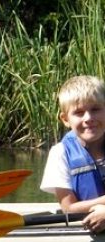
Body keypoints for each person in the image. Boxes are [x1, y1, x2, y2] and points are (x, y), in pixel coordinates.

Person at [40, 75, 105, 233]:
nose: (88, 118)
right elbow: (69, 208)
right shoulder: (60, 153)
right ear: (65, 119)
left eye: (95, 109)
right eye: (79, 112)